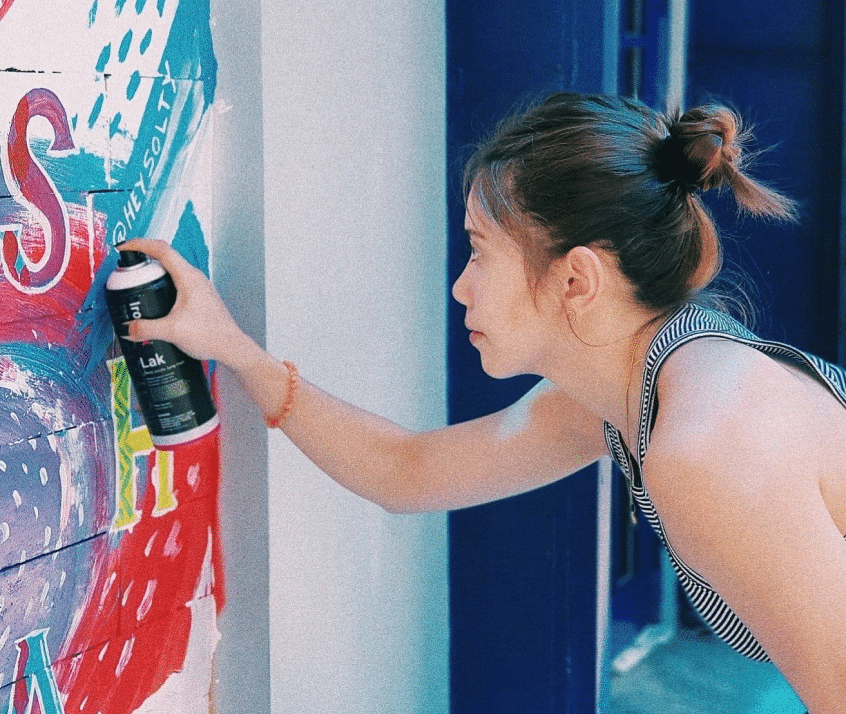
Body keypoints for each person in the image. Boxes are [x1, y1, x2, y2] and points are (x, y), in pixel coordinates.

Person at [119, 93, 846, 714]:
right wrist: (235, 349)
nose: (462, 286)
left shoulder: (705, 450)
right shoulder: (639, 386)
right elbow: (410, 471)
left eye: (479, 250)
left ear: (576, 280)